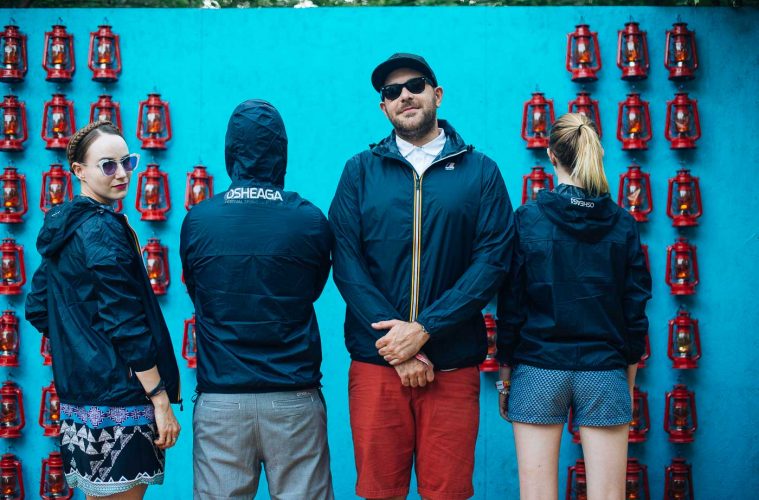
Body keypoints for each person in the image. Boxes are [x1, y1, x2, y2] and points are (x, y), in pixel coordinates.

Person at [329, 53, 515, 500]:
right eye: (392, 92)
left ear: (437, 94)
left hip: (451, 365)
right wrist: (398, 345)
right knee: (379, 492)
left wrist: (425, 329)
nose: (405, 96)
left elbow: (492, 261)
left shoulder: (481, 172)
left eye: (415, 85)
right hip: (379, 364)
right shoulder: (359, 171)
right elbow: (347, 263)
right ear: (384, 107)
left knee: (447, 493)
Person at [180, 99, 334, 500]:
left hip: (221, 400)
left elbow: (196, 292)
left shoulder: (199, 220)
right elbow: (313, 288)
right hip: (293, 397)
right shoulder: (309, 219)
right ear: (281, 152)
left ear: (230, 152)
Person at [496, 113, 652, 500]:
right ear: (597, 153)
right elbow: (635, 310)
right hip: (604, 370)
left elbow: (511, 306)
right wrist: (627, 379)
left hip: (538, 369)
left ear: (551, 156)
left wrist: (505, 375)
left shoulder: (527, 220)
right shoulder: (623, 224)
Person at [25, 121, 182, 500]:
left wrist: (83, 347)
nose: (122, 173)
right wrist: (159, 397)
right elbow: (125, 320)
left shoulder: (65, 227)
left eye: (128, 162)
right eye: (108, 165)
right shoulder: (102, 229)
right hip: (120, 399)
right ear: (79, 171)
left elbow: (37, 306)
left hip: (79, 403)